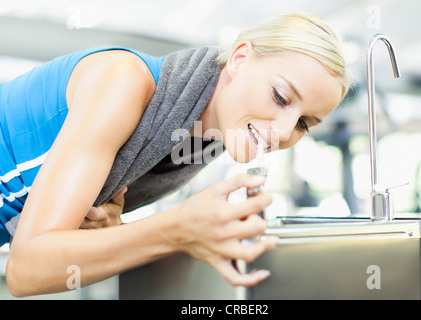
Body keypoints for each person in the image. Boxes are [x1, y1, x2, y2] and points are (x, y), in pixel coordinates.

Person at [1, 11, 349, 297]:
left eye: (304, 123)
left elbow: (53, 256)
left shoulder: (197, 144)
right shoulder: (123, 81)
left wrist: (113, 233)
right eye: (280, 97)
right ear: (240, 58)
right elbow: (26, 269)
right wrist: (175, 228)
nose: (286, 131)